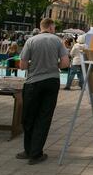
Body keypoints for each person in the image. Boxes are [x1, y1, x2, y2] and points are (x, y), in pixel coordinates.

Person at [17, 18, 69, 165]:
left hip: (33, 82)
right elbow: (65, 63)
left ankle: (28, 150)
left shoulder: (31, 41)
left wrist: (35, 65)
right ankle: (36, 153)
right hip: (52, 81)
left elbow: (22, 65)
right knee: (44, 117)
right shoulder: (58, 41)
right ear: (51, 27)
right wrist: (53, 65)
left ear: (41, 27)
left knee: (29, 116)